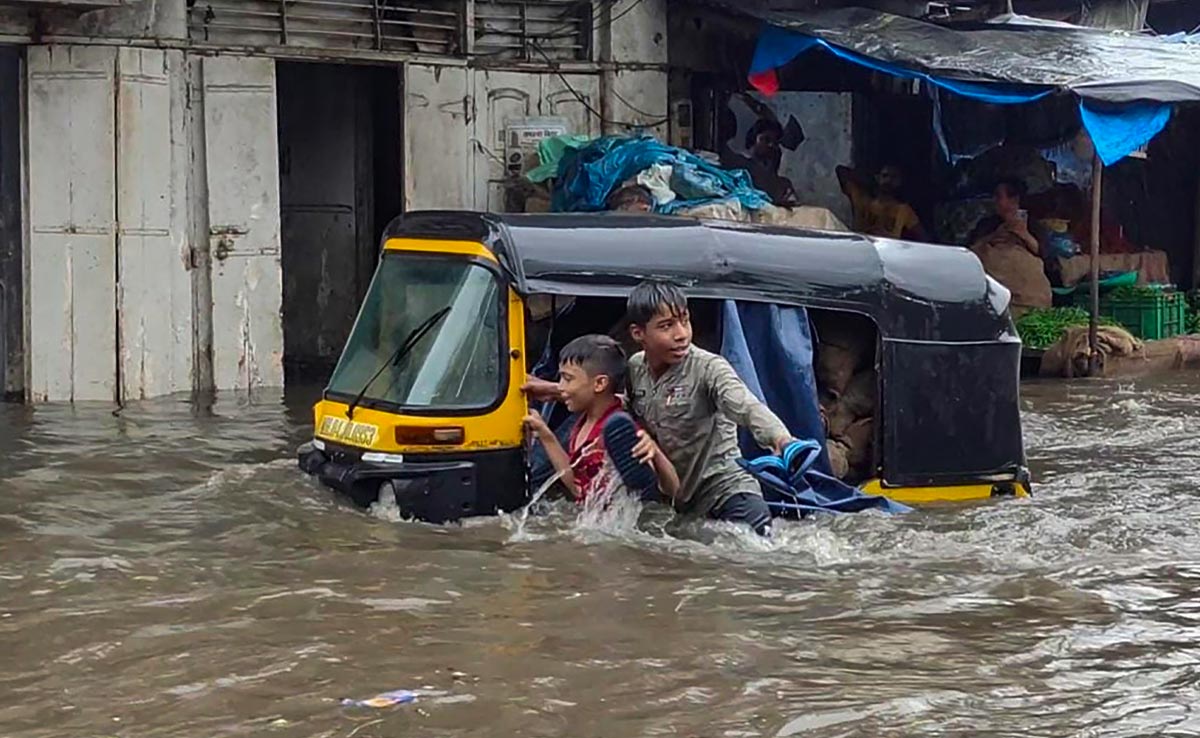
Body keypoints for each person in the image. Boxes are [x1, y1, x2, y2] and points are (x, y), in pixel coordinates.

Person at [624, 280, 795, 536]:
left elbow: (746, 406)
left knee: (760, 549)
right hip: (676, 500)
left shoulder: (709, 368)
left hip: (726, 491)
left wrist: (782, 440)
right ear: (639, 334)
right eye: (666, 326)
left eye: (685, 321)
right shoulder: (634, 369)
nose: (681, 334)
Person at [523, 334, 679, 503]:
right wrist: (545, 434)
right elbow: (577, 488)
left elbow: (672, 489)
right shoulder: (583, 422)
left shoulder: (620, 431)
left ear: (599, 384)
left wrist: (654, 452)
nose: (560, 387)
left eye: (568, 379)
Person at [970, 178, 1052, 315]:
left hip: (1026, 286)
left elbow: (1044, 254)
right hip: (995, 285)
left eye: (1010, 196)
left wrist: (1023, 234)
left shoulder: (1033, 225)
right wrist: (996, 235)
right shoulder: (987, 224)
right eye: (998, 197)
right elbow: (972, 251)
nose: (1004, 202)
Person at [836, 163, 926, 241]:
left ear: (900, 182)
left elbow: (923, 237)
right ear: (877, 178)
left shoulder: (904, 210)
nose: (888, 181)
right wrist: (866, 179)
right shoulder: (863, 201)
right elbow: (840, 170)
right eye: (885, 176)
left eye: (894, 177)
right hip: (859, 246)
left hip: (889, 252)